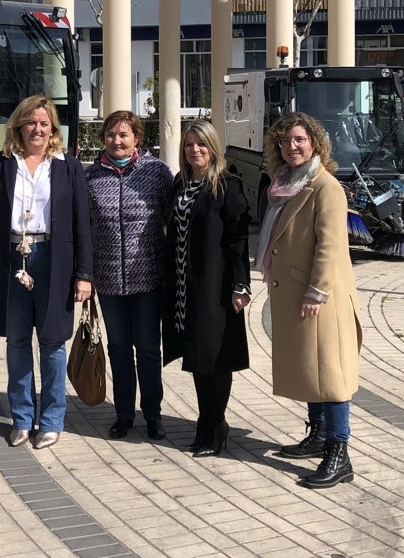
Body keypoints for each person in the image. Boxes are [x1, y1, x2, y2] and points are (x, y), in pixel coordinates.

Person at [0, 95, 93, 451]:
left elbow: (82, 224)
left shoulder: (68, 166)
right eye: (31, 122)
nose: (37, 129)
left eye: (44, 123)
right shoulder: (1, 164)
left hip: (54, 258)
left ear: (52, 128)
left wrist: (84, 274)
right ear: (19, 125)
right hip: (12, 257)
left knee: (53, 342)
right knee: (17, 341)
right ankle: (22, 419)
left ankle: (52, 421)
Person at [257, 111, 362, 489]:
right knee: (310, 368)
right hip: (298, 293)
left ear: (315, 143)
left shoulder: (324, 186)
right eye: (285, 141)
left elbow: (331, 246)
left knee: (331, 375)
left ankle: (339, 451)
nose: (292, 147)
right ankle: (317, 434)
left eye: (299, 139)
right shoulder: (285, 183)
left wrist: (316, 292)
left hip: (322, 296)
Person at [163, 119, 250, 458]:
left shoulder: (227, 185)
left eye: (201, 144)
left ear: (212, 148)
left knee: (216, 358)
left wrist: (240, 285)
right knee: (199, 359)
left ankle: (214, 425)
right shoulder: (180, 184)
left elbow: (238, 239)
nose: (194, 150)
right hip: (185, 287)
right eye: (189, 145)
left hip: (216, 286)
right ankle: (207, 422)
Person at [85, 110, 174, 441]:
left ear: (137, 138)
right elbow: (85, 228)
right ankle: (124, 413)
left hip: (148, 277)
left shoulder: (156, 173)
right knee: (119, 348)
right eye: (110, 134)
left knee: (149, 348)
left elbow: (172, 220)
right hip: (108, 280)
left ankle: (153, 413)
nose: (117, 140)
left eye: (124, 134)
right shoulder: (91, 177)